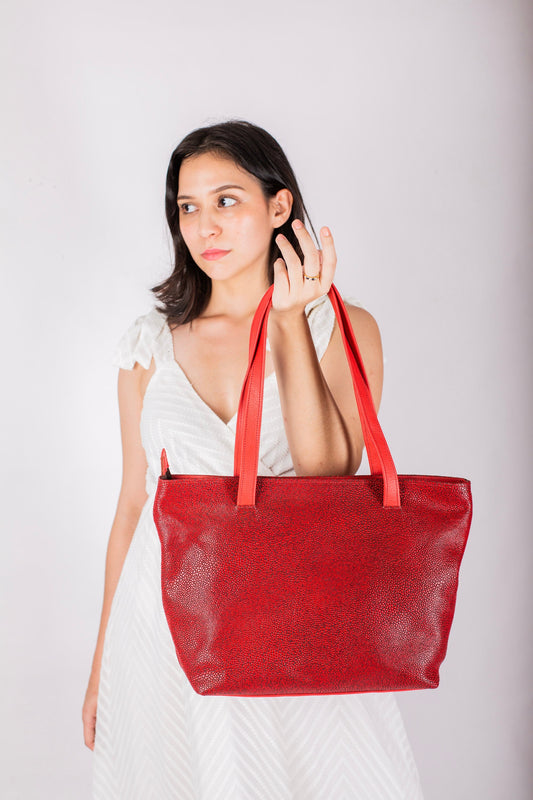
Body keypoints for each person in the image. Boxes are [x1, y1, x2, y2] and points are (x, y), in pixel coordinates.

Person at [83, 119, 424, 799]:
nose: (204, 225)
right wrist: (100, 666)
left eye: (226, 200)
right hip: (160, 633)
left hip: (292, 622)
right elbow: (132, 504)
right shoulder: (149, 345)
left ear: (279, 207)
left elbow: (329, 472)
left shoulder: (342, 326)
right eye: (187, 207)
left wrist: (291, 319)